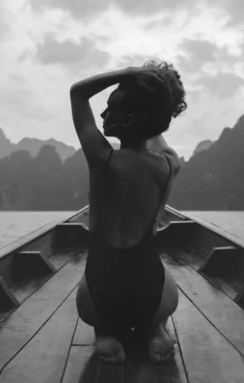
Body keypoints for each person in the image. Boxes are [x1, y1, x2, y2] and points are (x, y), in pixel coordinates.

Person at [70, 60, 187, 364]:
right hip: (151, 299)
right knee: (163, 273)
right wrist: (161, 95)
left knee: (94, 284)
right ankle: (156, 328)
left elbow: (78, 94)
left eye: (110, 108)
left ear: (129, 118)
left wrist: (129, 74)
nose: (104, 114)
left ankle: (105, 333)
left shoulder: (102, 160)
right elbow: (157, 135)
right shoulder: (168, 166)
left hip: (97, 302)